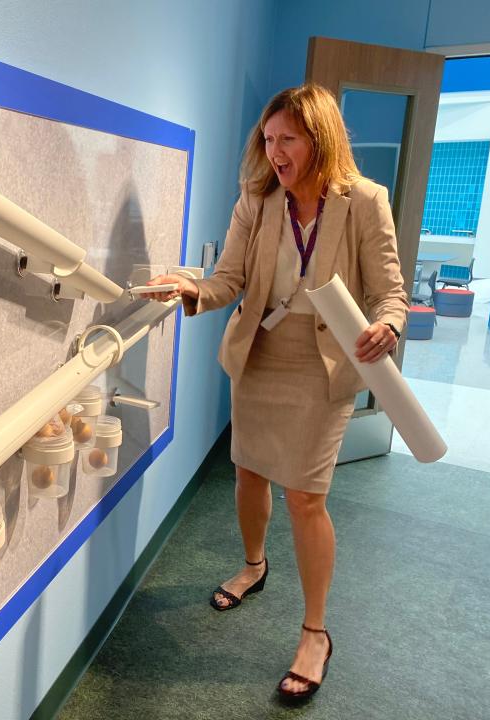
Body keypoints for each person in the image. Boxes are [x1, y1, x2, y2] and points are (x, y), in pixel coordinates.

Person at [146, 83, 408, 701]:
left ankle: (315, 633)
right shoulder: (257, 199)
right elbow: (229, 279)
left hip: (324, 366)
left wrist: (389, 324)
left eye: (286, 138)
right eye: (267, 139)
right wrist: (185, 289)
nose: (274, 151)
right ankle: (254, 565)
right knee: (248, 475)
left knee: (306, 499)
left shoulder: (365, 200)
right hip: (259, 355)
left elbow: (391, 289)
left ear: (319, 139)